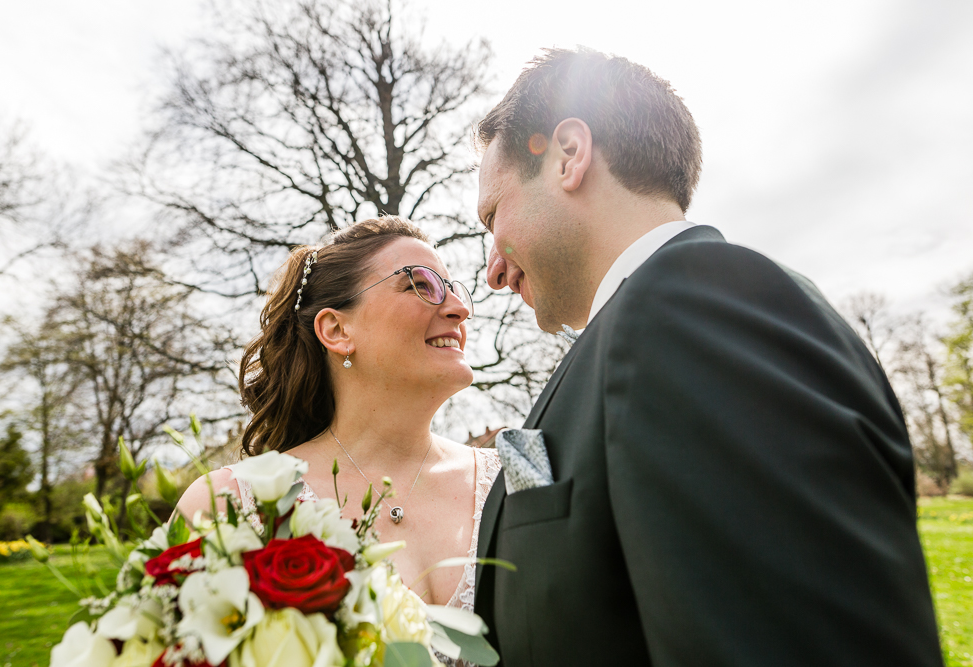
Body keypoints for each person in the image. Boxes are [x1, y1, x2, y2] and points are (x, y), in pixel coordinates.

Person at [472, 48, 944, 666]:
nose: (493, 271)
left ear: (569, 154)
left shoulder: (696, 309)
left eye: (492, 214)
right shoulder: (637, 332)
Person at [176, 217, 500, 619]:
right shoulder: (232, 505)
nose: (460, 309)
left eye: (453, 290)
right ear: (336, 330)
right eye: (421, 285)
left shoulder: (508, 484)